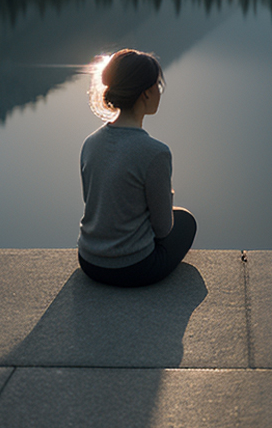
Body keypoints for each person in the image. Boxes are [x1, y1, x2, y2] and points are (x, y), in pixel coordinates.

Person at [77, 48, 197, 287]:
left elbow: (93, 201)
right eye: (158, 87)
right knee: (186, 222)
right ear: (146, 93)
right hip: (133, 268)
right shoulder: (155, 152)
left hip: (89, 261)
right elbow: (163, 229)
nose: (159, 93)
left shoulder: (90, 143)